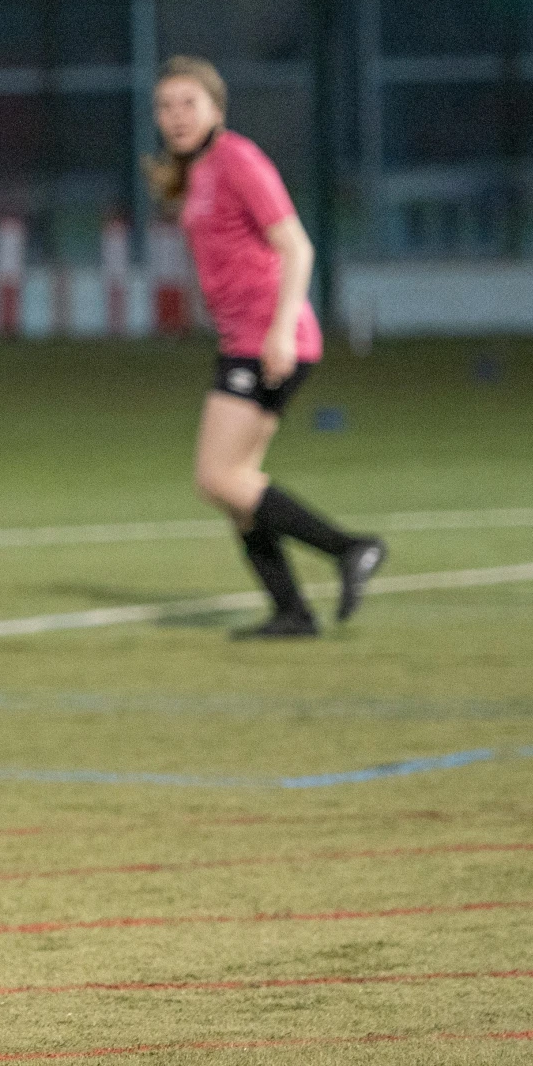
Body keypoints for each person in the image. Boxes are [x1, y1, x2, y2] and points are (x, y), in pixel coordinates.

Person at [145, 56, 387, 639]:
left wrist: (280, 330)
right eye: (166, 107)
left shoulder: (237, 159)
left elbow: (297, 248)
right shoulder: (194, 171)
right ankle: (292, 611)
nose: (177, 117)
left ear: (215, 108)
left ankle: (350, 548)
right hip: (245, 336)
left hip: (269, 338)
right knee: (239, 483)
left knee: (218, 477)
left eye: (189, 103)